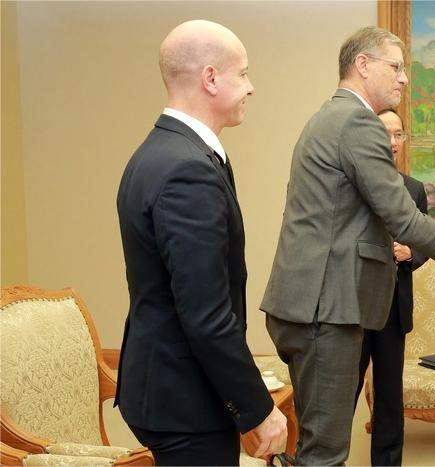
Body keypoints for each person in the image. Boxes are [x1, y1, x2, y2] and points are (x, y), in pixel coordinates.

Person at [259, 26, 435, 466]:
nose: (405, 79)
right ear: (363, 65)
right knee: (325, 455)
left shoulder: (328, 117)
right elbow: (403, 217)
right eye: (396, 67)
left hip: (310, 303)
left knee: (316, 446)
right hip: (326, 308)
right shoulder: (355, 122)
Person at [115, 20, 286, 465]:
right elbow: (207, 315)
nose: (252, 87)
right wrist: (258, 409)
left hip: (169, 385)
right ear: (210, 78)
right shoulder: (185, 171)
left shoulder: (160, 151)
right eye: (244, 73)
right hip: (184, 401)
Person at [353, 109, 427, 466]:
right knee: (343, 393)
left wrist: (411, 252)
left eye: (399, 135)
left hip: (393, 308)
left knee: (389, 397)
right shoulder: (352, 185)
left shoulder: (414, 189)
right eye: (386, 133)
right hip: (352, 306)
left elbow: (425, 245)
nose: (393, 142)